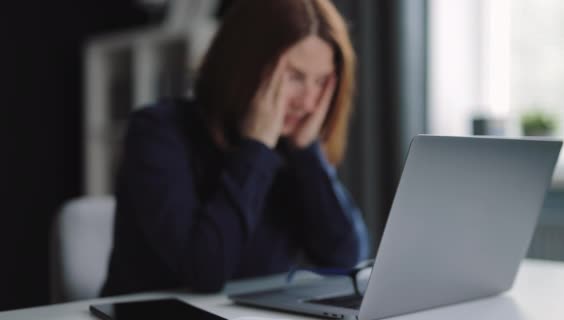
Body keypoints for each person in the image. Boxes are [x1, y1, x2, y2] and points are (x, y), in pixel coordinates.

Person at [101, 0, 369, 297]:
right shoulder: (157, 132)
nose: (308, 102)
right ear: (245, 65)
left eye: (320, 82)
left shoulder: (292, 147)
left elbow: (347, 259)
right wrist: (256, 148)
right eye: (294, 77)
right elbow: (204, 273)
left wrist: (307, 153)